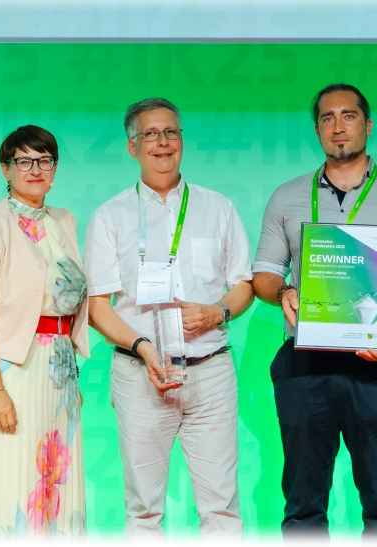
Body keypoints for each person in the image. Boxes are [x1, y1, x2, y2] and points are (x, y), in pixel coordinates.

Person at [252, 83, 377, 536]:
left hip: (376, 365)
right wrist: (282, 293)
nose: (338, 127)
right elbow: (263, 275)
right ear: (317, 129)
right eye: (327, 118)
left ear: (368, 125)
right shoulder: (286, 196)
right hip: (305, 364)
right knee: (302, 502)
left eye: (349, 116)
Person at [85, 98, 253, 535]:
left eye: (171, 133)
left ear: (182, 140)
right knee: (144, 508)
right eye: (150, 135)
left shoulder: (219, 208)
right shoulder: (110, 216)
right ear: (132, 147)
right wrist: (142, 347)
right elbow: (97, 306)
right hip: (140, 373)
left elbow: (244, 285)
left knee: (221, 507)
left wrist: (217, 313)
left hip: (210, 371)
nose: (162, 143)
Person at [0, 125, 89, 535]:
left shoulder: (64, 222)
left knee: (52, 491)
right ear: (5, 168)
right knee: (4, 490)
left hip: (57, 373)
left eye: (44, 160)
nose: (35, 169)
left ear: (55, 169)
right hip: (5, 369)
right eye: (24, 161)